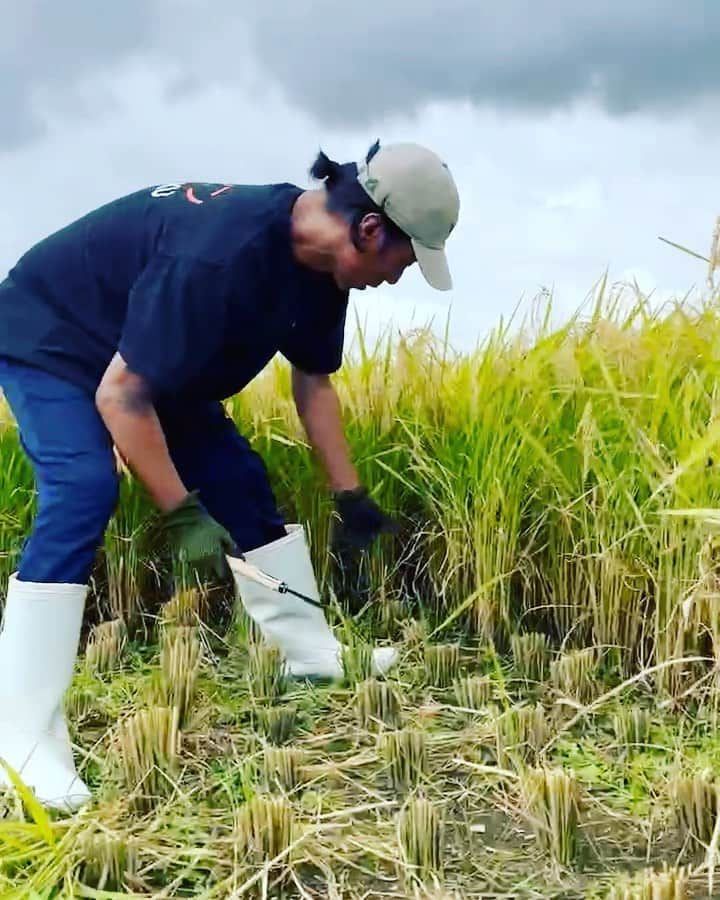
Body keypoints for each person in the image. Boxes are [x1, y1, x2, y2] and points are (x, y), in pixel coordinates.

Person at [0, 139, 460, 811]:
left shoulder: (322, 269)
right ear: (368, 229)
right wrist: (182, 513)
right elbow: (120, 397)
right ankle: (21, 740)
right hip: (55, 339)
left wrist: (348, 492)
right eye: (404, 260)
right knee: (83, 488)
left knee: (240, 482)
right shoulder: (218, 255)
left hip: (149, 359)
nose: (397, 278)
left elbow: (314, 382)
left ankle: (311, 654)